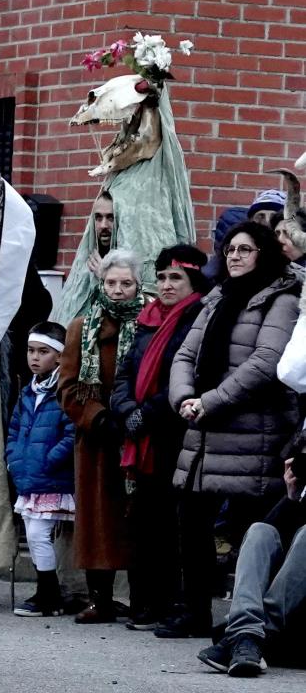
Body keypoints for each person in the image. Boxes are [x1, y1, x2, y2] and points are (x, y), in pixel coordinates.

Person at [165, 221, 300, 638]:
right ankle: (194, 611)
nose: (235, 257)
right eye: (229, 250)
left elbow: (265, 362)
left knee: (247, 531)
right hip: (202, 431)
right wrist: (184, 398)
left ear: (264, 254)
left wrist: (210, 401)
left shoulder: (282, 297)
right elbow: (185, 353)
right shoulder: (217, 296)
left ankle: (247, 617)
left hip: (251, 433)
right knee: (192, 524)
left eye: (245, 249)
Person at [109, 244, 209, 627]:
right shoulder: (147, 319)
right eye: (162, 277)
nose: (166, 285)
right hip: (140, 434)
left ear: (193, 281)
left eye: (176, 277)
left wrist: (147, 414)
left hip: (172, 435)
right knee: (144, 522)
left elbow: (187, 377)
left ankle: (169, 603)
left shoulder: (198, 317)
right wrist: (126, 411)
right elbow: (125, 374)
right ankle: (145, 601)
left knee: (170, 525)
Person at [59, 251, 146, 623]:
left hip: (139, 432)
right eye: (111, 283)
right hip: (95, 437)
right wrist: (97, 418)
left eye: (126, 283)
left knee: (136, 516)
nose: (118, 290)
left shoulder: (148, 323)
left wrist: (133, 417)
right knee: (98, 519)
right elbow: (67, 386)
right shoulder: (82, 327)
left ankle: (141, 598)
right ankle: (99, 597)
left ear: (137, 285)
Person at [198, 463, 306, 677]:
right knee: (260, 531)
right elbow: (272, 533)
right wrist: (292, 498)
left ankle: (246, 633)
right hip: (283, 623)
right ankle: (248, 632)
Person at [5, 321, 76, 616]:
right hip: (30, 476)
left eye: (43, 352)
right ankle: (48, 591)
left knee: (37, 534)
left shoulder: (63, 390)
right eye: (31, 350)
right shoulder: (28, 391)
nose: (34, 357)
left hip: (53, 478)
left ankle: (48, 593)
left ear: (59, 356)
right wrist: (14, 458)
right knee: (35, 533)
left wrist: (50, 459)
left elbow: (72, 432)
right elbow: (15, 430)